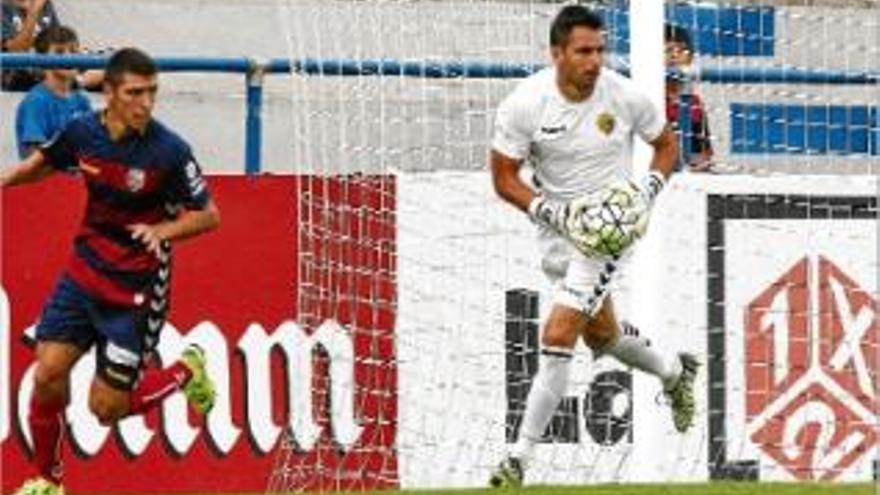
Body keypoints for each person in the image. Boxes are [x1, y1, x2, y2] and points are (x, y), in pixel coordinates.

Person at [488, 6, 698, 488]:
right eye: (584, 51)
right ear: (556, 53)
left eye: (600, 49)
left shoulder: (624, 96)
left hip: (608, 234)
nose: (595, 60)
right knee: (602, 337)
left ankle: (516, 460)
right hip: (558, 230)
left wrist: (645, 191)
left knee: (558, 336)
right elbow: (503, 178)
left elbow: (667, 147)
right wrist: (548, 211)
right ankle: (673, 373)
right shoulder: (525, 104)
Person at [2, 47, 220, 495]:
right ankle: (48, 480)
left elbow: (209, 215)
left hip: (134, 289)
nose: (146, 103)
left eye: (152, 92)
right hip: (84, 271)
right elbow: (43, 164)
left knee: (106, 410)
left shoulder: (170, 151)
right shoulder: (83, 132)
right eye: (135, 93)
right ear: (111, 92)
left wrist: (163, 230)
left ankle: (186, 370)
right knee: (46, 375)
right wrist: (5, 180)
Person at [15, 24, 91, 158]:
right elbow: (33, 158)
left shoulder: (82, 100)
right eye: (59, 52)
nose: (68, 57)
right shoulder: (36, 101)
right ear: (43, 59)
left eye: (73, 51)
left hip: (76, 174)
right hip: (46, 176)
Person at [664, 23, 714, 172]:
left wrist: (697, 167)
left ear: (691, 58)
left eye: (680, 50)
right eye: (667, 50)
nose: (674, 55)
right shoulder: (643, 98)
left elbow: (703, 154)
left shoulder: (694, 103)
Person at [1, 0, 60, 90]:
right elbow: (17, 51)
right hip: (17, 80)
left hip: (48, 75)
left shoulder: (46, 5)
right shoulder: (4, 8)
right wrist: (33, 12)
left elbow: (60, 42)